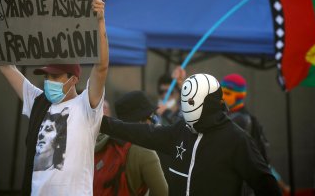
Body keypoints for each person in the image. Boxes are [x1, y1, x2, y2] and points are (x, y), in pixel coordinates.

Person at [101, 73, 281, 196]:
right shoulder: (181, 130)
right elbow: (144, 133)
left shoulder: (237, 140)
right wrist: (102, 123)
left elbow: (266, 184)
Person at [0, 0, 109, 195]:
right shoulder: (40, 103)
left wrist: (100, 21)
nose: (49, 80)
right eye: (47, 75)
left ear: (74, 79)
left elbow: (101, 68)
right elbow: (5, 66)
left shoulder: (87, 106)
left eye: (55, 76)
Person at [221, 73, 290, 195]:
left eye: (227, 93)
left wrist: (279, 185)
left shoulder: (241, 121)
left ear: (239, 96)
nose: (222, 97)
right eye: (220, 93)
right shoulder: (230, 117)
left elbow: (261, 160)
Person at [94, 94, 168, 196]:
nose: (154, 122)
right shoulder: (144, 150)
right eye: (152, 117)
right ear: (144, 119)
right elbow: (162, 192)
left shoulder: (103, 142)